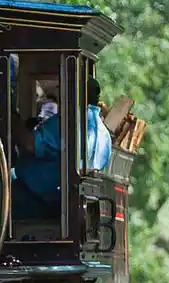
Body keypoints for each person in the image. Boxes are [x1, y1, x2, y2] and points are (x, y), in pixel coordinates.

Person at [13, 79, 113, 216]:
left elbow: (29, 143)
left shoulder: (69, 123)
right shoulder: (105, 136)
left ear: (73, 92)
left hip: (35, 200)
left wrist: (14, 122)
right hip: (69, 208)